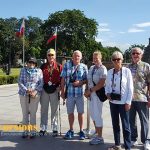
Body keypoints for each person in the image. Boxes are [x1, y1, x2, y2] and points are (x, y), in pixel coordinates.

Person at [105, 51, 133, 150]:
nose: (116, 61)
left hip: (123, 103)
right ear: (112, 61)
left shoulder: (126, 71)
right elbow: (107, 86)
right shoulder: (109, 72)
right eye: (114, 59)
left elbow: (130, 88)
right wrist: (107, 93)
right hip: (113, 102)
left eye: (118, 59)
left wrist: (128, 102)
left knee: (126, 126)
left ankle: (128, 146)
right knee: (115, 124)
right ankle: (117, 144)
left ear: (122, 60)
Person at [60, 50, 88, 140]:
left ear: (81, 57)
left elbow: (87, 80)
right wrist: (62, 92)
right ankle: (71, 130)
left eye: (78, 56)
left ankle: (81, 130)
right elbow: (63, 79)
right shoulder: (67, 65)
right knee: (70, 113)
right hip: (70, 94)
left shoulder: (84, 67)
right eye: (75, 56)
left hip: (79, 94)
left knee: (81, 113)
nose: (76, 57)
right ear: (72, 57)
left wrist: (80, 82)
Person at [128, 47, 150, 150]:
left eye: (137, 53)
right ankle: (133, 139)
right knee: (131, 120)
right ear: (131, 55)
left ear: (141, 55)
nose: (135, 55)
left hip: (142, 98)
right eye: (133, 53)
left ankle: (146, 141)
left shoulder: (146, 66)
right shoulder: (128, 67)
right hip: (130, 99)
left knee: (144, 121)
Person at [84, 51, 107, 145]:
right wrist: (86, 91)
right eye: (94, 58)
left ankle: (100, 137)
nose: (95, 59)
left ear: (100, 58)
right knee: (93, 114)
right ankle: (97, 131)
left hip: (97, 95)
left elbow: (102, 83)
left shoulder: (103, 69)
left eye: (97, 58)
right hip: (90, 95)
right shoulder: (92, 67)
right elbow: (88, 80)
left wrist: (90, 90)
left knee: (97, 115)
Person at [18, 57, 43, 138]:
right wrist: (26, 90)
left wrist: (35, 91)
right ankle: (25, 131)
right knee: (25, 114)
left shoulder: (39, 71)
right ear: (27, 63)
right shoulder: (23, 70)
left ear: (35, 64)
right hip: (24, 94)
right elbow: (20, 81)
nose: (31, 64)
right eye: (30, 62)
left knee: (33, 114)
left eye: (33, 63)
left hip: (35, 95)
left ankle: (32, 131)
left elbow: (41, 83)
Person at [40, 48, 62, 136]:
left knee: (54, 110)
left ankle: (55, 128)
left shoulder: (59, 66)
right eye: (49, 55)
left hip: (55, 90)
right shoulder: (43, 66)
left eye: (52, 55)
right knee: (44, 110)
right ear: (47, 56)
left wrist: (60, 86)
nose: (50, 56)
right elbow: (39, 78)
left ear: (55, 56)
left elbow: (62, 78)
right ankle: (43, 128)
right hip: (45, 90)